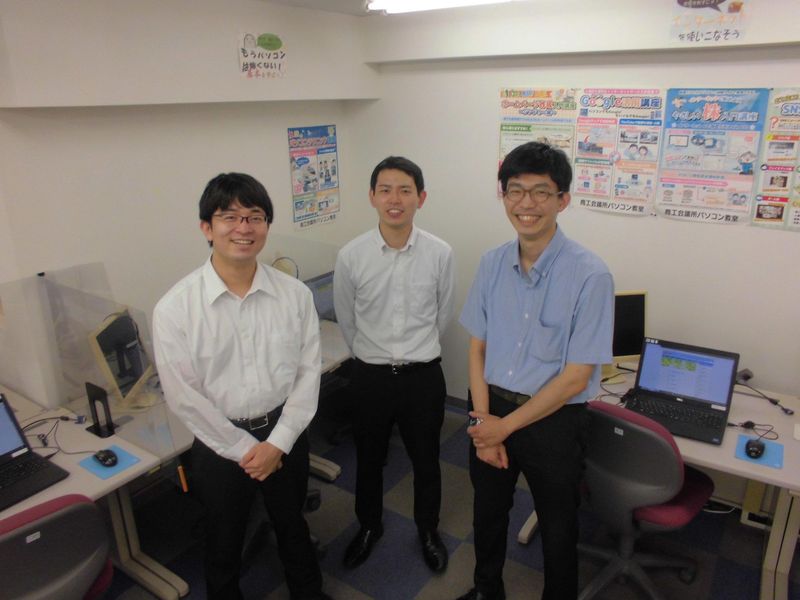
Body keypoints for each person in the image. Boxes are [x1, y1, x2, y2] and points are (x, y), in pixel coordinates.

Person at [152, 173, 331, 600]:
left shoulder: (294, 295)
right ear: (206, 228)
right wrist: (245, 450)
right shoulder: (176, 308)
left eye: (255, 217)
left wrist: (278, 443)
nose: (243, 228)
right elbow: (184, 397)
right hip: (218, 442)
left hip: (284, 433)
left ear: (267, 225)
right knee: (223, 539)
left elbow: (308, 373)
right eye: (229, 217)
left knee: (292, 525)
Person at [456, 142, 614, 600]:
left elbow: (576, 377)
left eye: (541, 192)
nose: (527, 203)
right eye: (515, 190)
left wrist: (502, 429)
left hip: (555, 420)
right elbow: (477, 348)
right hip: (491, 406)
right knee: (488, 514)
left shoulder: (591, 275)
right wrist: (484, 423)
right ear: (504, 196)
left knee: (559, 525)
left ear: (563, 199)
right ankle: (487, 590)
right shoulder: (491, 263)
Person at [333, 156, 455, 573]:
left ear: (421, 198)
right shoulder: (351, 256)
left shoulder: (440, 253)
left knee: (427, 460)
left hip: (423, 376)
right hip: (371, 377)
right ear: (372, 197)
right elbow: (347, 319)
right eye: (385, 190)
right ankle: (369, 526)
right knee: (369, 459)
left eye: (405, 190)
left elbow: (443, 315)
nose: (395, 199)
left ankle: (428, 530)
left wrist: (415, 350)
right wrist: (373, 356)